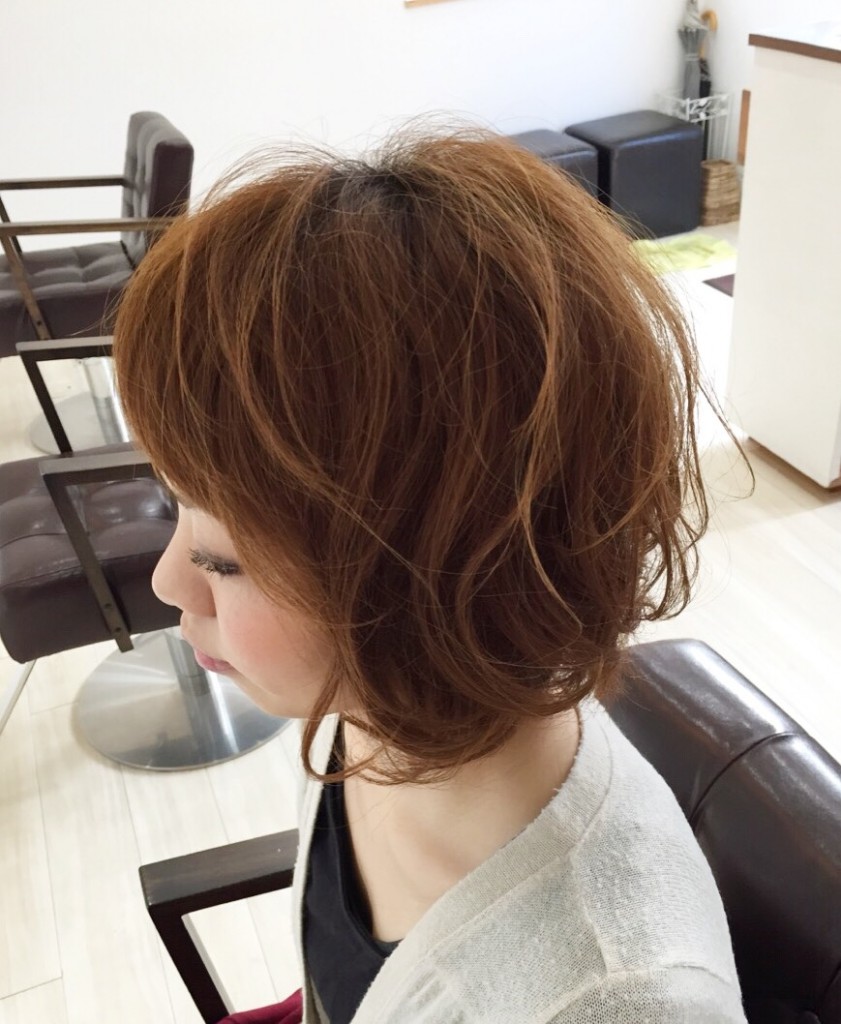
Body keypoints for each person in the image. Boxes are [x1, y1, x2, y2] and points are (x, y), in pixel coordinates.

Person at [112, 129, 747, 1023]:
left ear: (431, 582)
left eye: (223, 560)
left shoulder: (609, 1001)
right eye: (178, 512)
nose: (168, 584)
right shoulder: (375, 700)